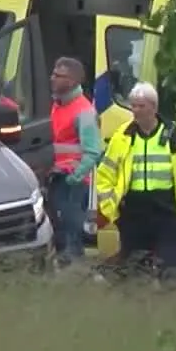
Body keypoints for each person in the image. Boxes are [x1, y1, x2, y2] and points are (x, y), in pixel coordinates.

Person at [95, 82, 176, 283]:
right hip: (134, 213)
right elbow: (105, 175)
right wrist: (112, 211)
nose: (135, 110)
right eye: (133, 105)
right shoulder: (123, 137)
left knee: (169, 271)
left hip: (168, 213)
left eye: (140, 106)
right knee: (133, 273)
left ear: (153, 107)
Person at [47, 56, 103, 268]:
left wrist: (74, 177)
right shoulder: (58, 105)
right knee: (60, 232)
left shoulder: (83, 111)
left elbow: (92, 152)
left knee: (71, 234)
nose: (52, 78)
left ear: (71, 81)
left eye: (57, 75)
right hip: (57, 177)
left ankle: (75, 273)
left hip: (72, 182)